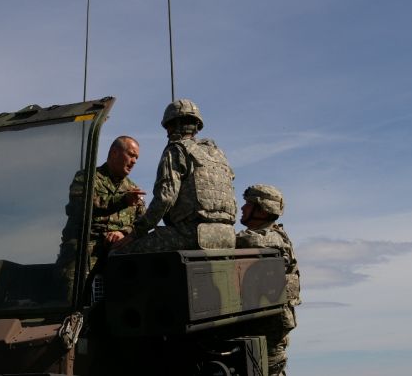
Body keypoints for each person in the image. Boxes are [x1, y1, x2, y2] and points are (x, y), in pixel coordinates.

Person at [114, 99, 236, 253]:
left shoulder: (176, 150)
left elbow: (165, 198)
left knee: (119, 252)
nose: (167, 132)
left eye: (168, 126)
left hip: (191, 234)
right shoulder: (218, 154)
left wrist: (136, 231)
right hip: (227, 236)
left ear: (175, 125)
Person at [57, 136, 146, 289]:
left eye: (136, 158)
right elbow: (82, 206)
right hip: (84, 253)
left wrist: (124, 232)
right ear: (114, 153)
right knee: (72, 294)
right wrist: (122, 200)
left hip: (117, 255)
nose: (134, 161)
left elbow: (143, 222)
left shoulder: (133, 189)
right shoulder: (86, 177)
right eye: (131, 155)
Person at [235, 184, 301, 376]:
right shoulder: (274, 236)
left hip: (270, 326)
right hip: (266, 322)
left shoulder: (271, 238)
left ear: (262, 211)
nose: (242, 208)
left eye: (248, 204)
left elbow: (243, 241)